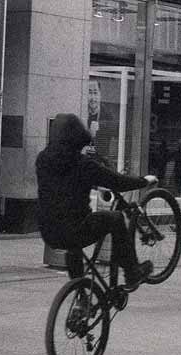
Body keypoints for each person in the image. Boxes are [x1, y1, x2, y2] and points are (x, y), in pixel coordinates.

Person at [37, 113, 156, 288]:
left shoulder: (42, 159)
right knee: (115, 219)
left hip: (48, 231)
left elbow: (60, 186)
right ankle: (132, 272)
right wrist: (144, 181)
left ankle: (80, 293)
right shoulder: (83, 164)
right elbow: (118, 182)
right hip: (76, 229)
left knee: (72, 245)